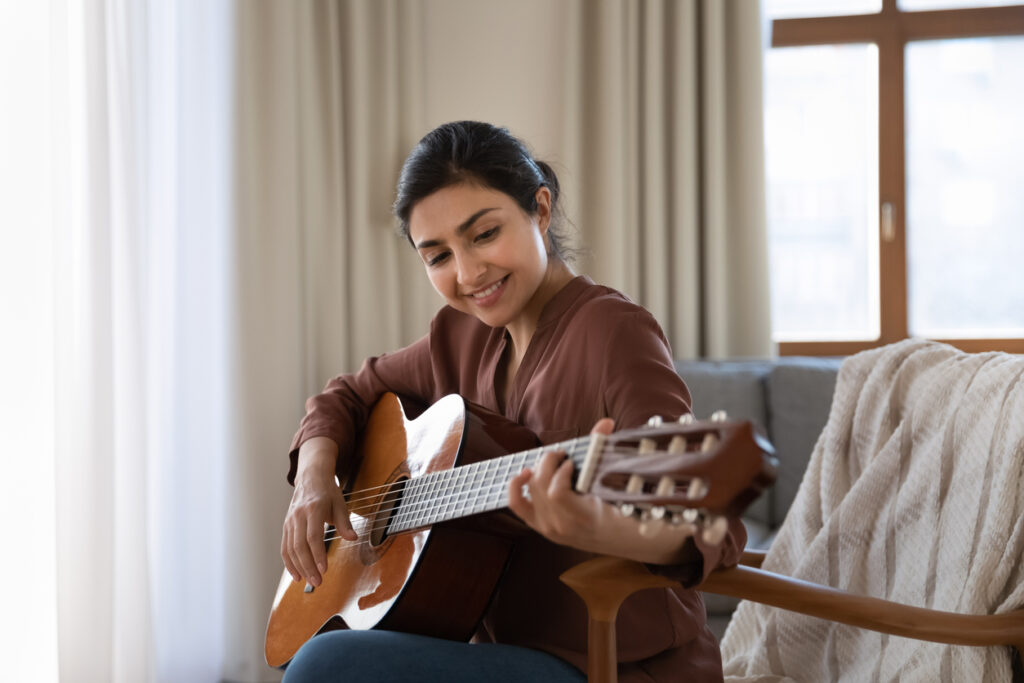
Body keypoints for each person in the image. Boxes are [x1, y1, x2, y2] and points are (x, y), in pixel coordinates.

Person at [279, 121, 746, 682]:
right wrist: (314, 478)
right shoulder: (458, 336)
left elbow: (707, 525)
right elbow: (347, 394)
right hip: (501, 656)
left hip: (617, 667)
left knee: (325, 667)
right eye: (438, 257)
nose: (468, 273)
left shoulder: (614, 331)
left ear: (540, 210)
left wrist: (599, 529)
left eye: (483, 234)